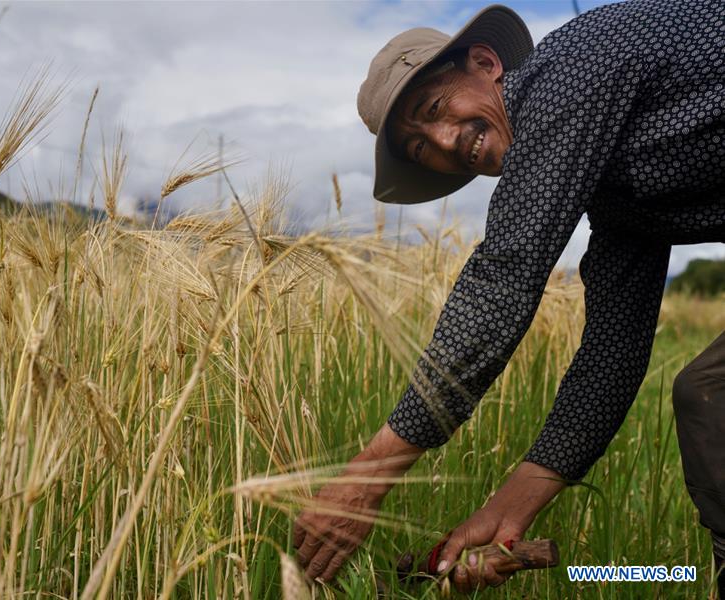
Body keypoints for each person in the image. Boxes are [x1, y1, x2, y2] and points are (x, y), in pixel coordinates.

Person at [291, 0, 725, 595]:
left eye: (436, 108)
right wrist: (505, 515)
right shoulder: (620, 201)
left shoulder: (569, 68)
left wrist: (369, 475)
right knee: (709, 394)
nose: (444, 141)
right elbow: (610, 356)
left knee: (713, 398)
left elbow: (504, 276)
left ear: (486, 63)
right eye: (421, 149)